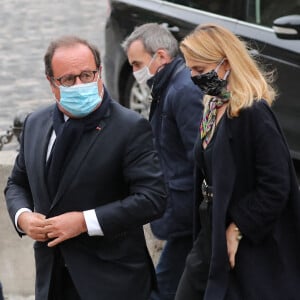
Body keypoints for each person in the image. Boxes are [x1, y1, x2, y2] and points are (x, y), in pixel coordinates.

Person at [4, 36, 167, 300]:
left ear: (99, 72)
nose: (80, 84)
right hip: (52, 279)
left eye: (87, 75)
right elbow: (17, 183)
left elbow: (153, 199)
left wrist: (84, 222)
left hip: (111, 281)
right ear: (51, 83)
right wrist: (22, 216)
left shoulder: (129, 127)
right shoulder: (35, 123)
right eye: (68, 79)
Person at [175, 23, 300, 300]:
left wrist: (238, 228)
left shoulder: (253, 113)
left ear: (226, 63)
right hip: (210, 227)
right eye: (190, 69)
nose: (193, 77)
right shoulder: (213, 105)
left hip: (245, 236)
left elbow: (277, 184)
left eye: (199, 69)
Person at [122, 23, 203, 300]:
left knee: (165, 287)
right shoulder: (169, 86)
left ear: (161, 56)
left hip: (189, 215)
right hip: (183, 213)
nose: (134, 72)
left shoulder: (181, 91)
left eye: (137, 63)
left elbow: (200, 156)